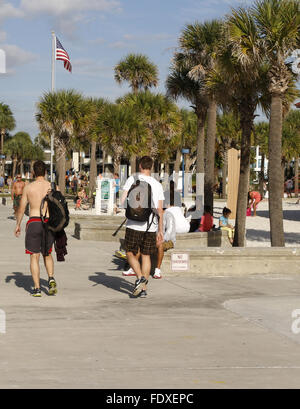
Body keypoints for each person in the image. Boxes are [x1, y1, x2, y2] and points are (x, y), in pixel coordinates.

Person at [120, 156, 164, 298]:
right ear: (151, 167)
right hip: (151, 225)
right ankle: (143, 289)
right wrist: (160, 230)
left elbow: (122, 202)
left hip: (133, 223)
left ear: (140, 166)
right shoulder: (157, 184)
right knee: (146, 256)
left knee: (129, 252)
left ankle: (140, 278)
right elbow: (160, 210)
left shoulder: (132, 179)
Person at [14, 161, 57, 297]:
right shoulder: (52, 186)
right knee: (47, 254)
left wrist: (18, 224)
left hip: (34, 221)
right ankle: (50, 279)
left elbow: (21, 208)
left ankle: (37, 289)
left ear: (33, 172)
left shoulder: (28, 187)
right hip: (48, 222)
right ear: (45, 172)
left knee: (34, 256)